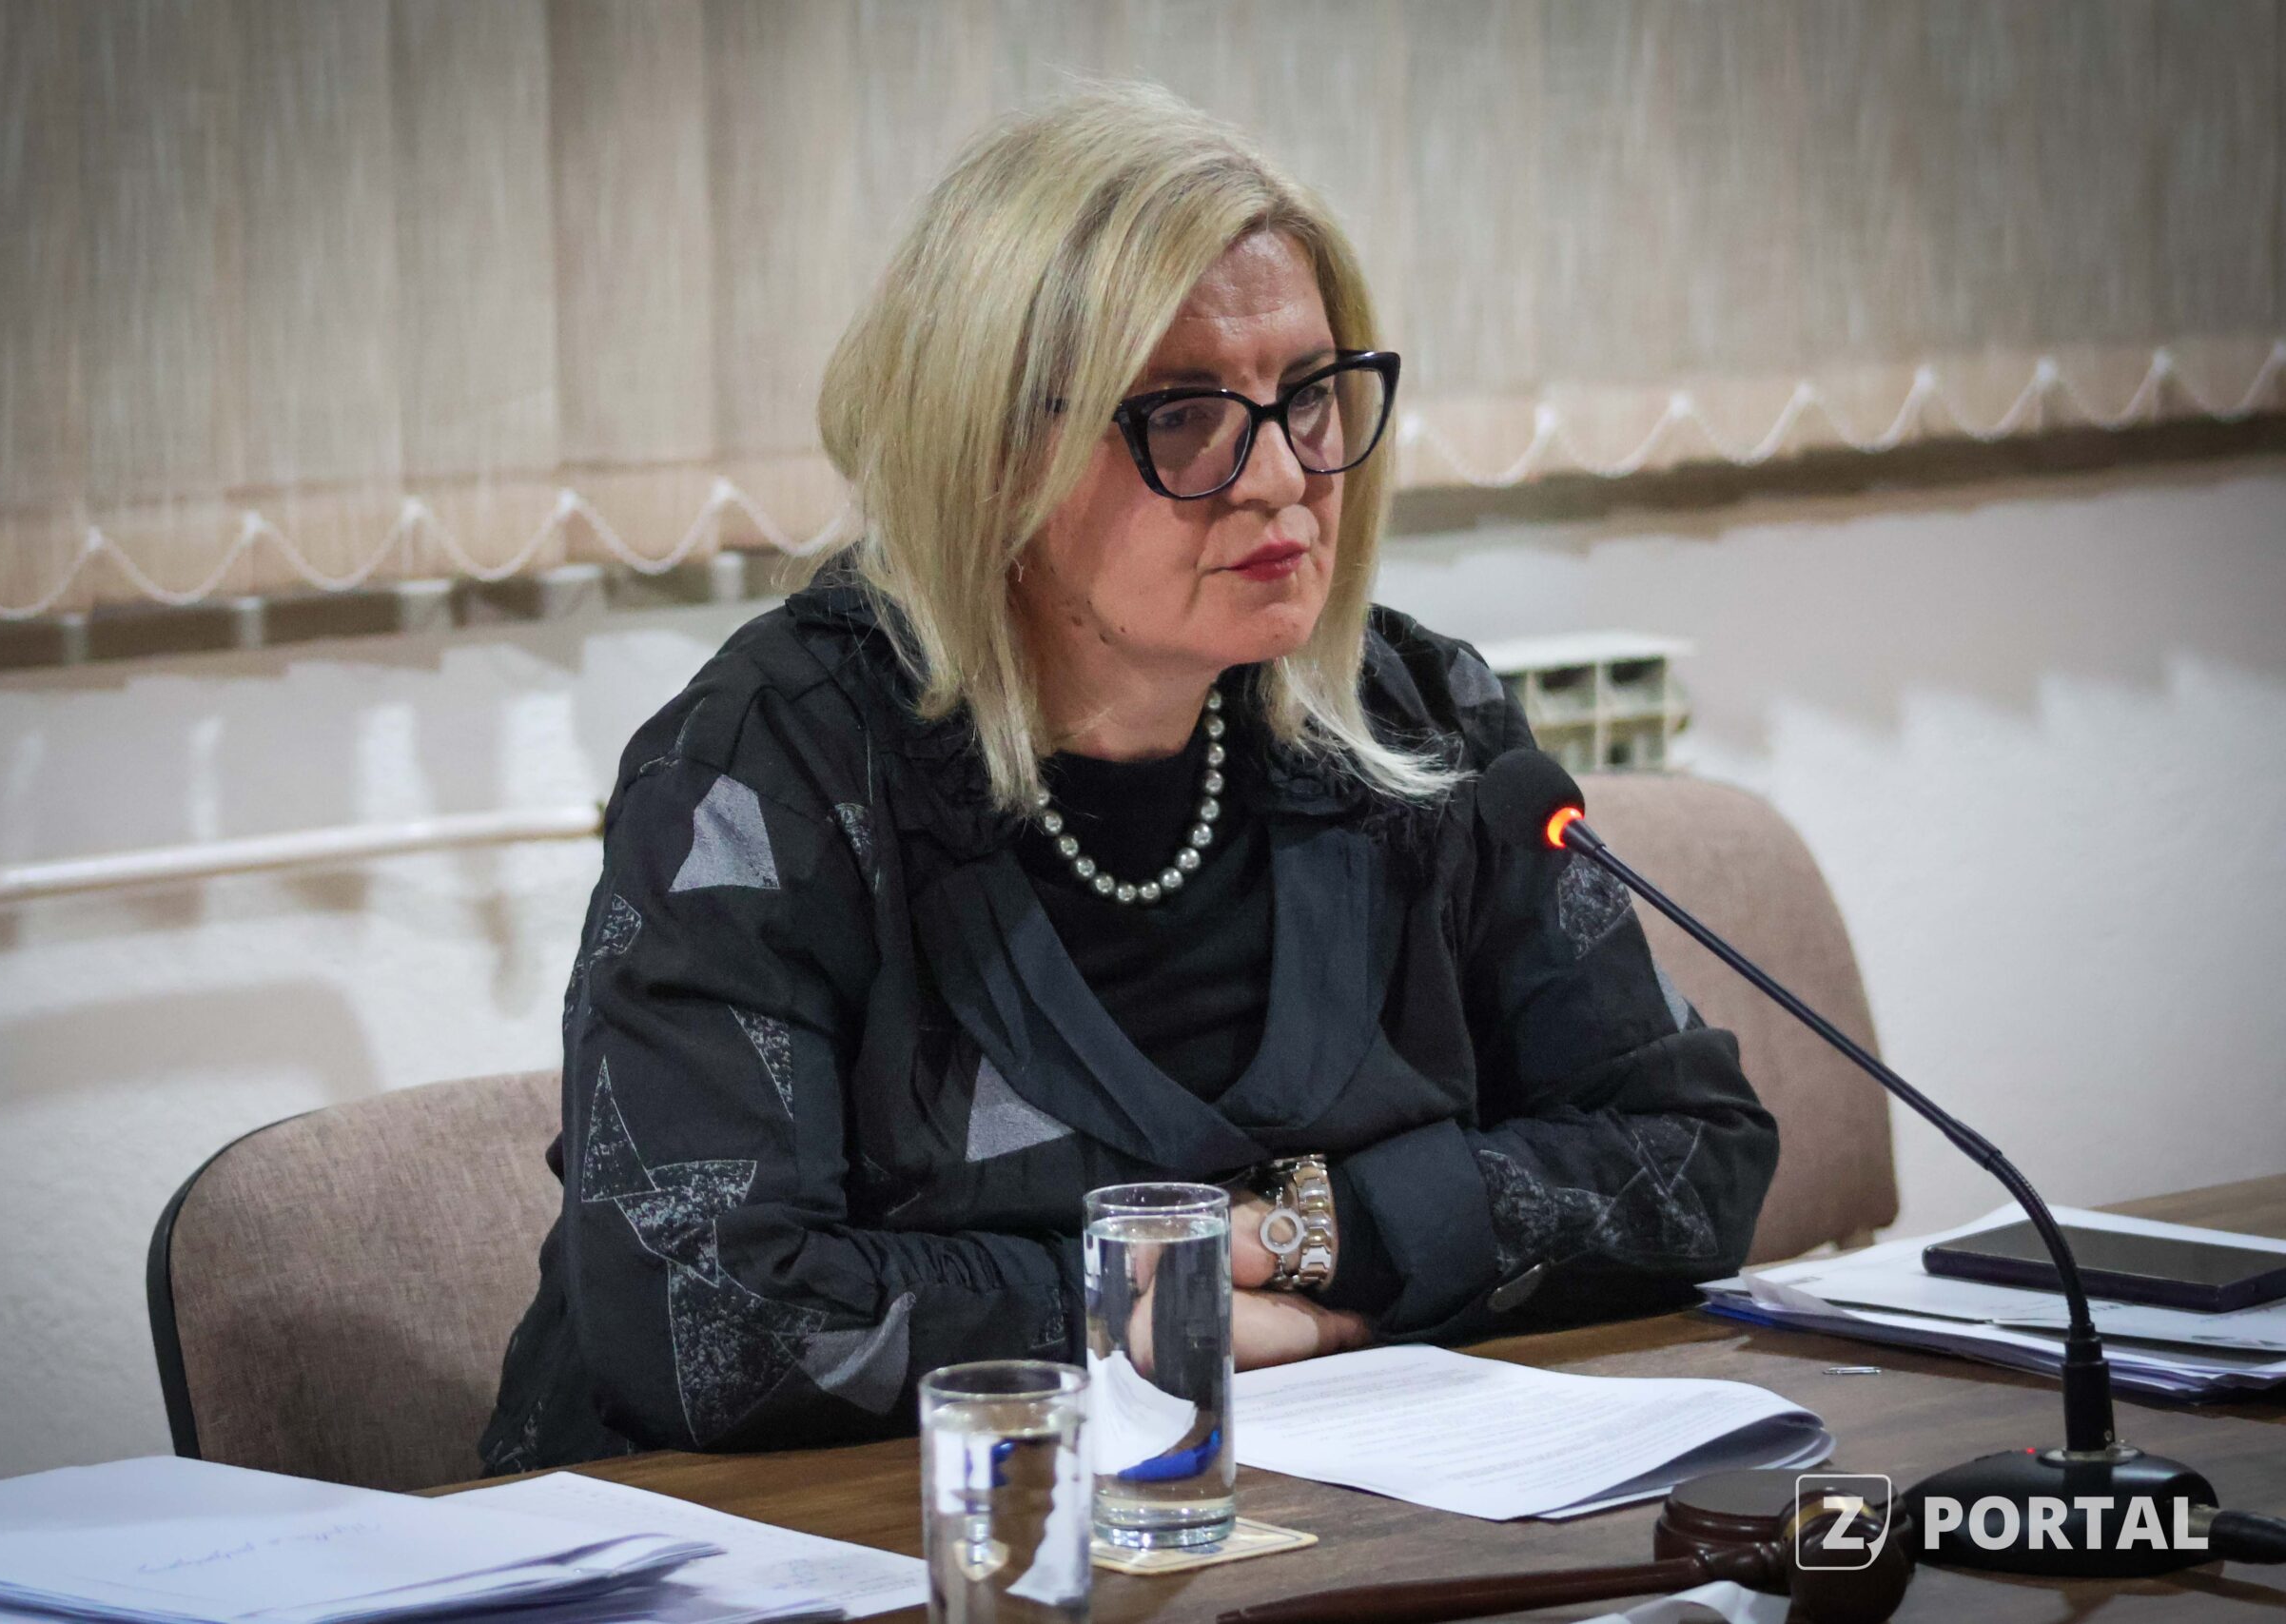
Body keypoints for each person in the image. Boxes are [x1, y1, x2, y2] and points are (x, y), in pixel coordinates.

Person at [480, 85, 1776, 1470]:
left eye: (1309, 396)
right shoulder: (770, 773)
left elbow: (1692, 1156)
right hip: (794, 1543)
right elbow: (705, 1316)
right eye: (1187, 416)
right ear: (989, 453)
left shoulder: (1416, 724)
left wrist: (1297, 1239)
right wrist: (1148, 1323)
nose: (1282, 477)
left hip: (1314, 1513)